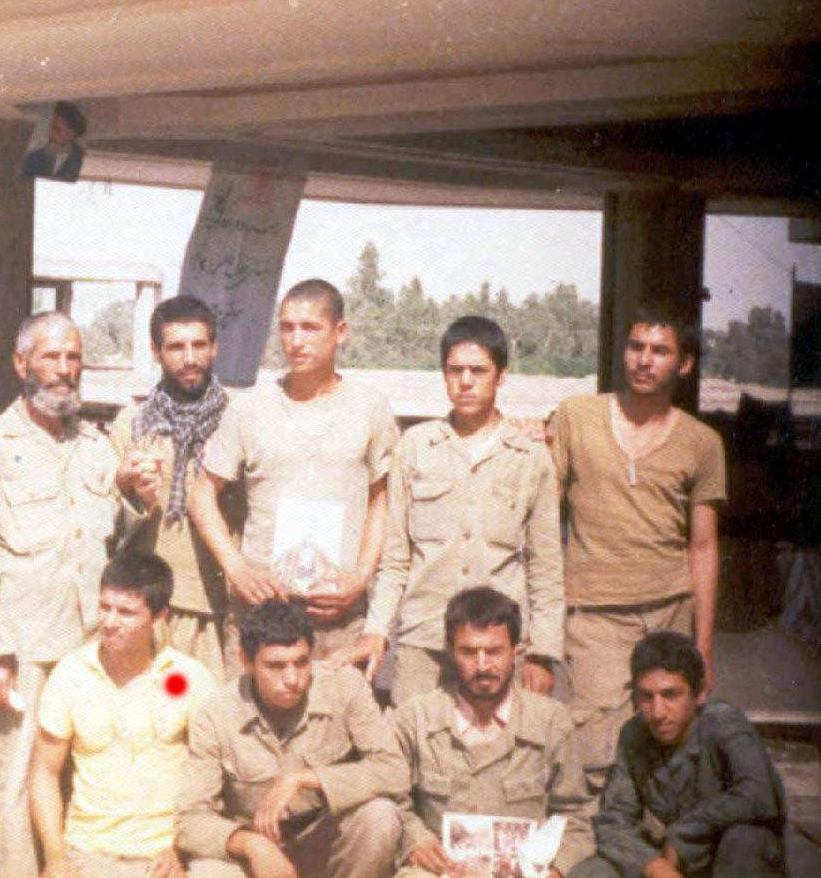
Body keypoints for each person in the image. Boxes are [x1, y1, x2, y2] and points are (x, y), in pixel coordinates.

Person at [0, 310, 145, 878]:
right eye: (51, 356)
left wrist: (135, 495)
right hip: (25, 642)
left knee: (83, 771)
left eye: (73, 357)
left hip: (90, 640)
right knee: (18, 774)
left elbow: (116, 538)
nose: (64, 368)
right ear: (21, 363)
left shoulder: (96, 444)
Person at [336, 315, 564, 705]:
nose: (466, 381)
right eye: (455, 370)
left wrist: (542, 653)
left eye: (479, 370)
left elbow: (545, 566)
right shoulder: (415, 448)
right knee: (414, 736)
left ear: (501, 375)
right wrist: (377, 630)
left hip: (497, 645)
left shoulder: (529, 457)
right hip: (426, 642)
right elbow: (396, 559)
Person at [547, 307, 727, 789]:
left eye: (660, 350)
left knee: (667, 749)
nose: (645, 360)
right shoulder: (576, 416)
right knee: (595, 753)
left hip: (669, 612)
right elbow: (542, 518)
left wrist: (704, 648)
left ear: (684, 364)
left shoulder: (702, 442)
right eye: (636, 347)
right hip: (593, 613)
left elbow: (703, 547)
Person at [189, 279, 399, 674]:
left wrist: (361, 576)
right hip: (262, 613)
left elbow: (381, 500)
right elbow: (202, 494)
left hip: (338, 617)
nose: (296, 341)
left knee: (336, 712)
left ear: (340, 331)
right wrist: (237, 568)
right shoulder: (249, 408)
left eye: (310, 328)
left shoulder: (369, 408)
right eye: (286, 328)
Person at [176, 598, 408, 878]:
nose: (292, 679)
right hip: (256, 850)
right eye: (275, 666)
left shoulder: (345, 687)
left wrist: (305, 778)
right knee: (207, 873)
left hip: (324, 842)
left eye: (301, 663)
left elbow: (394, 771)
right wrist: (251, 845)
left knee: (379, 816)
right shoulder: (216, 714)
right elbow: (190, 820)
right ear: (246, 661)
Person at [29, 551, 216, 878]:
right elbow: (44, 772)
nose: (110, 622)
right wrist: (55, 856)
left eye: (127, 612)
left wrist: (181, 848)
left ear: (159, 616)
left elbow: (212, 775)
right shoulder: (71, 674)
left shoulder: (188, 678)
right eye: (105, 607)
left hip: (167, 856)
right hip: (89, 853)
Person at [392, 587, 593, 878]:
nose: (482, 665)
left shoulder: (551, 721)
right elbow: (391, 799)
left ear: (516, 650)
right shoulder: (416, 718)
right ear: (450, 651)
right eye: (469, 652)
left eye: (494, 651)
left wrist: (556, 870)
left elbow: (576, 816)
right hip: (440, 871)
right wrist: (416, 839)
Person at [574, 632, 786, 878]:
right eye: (646, 697)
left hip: (732, 857)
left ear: (699, 694)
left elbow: (760, 796)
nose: (658, 712)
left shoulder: (723, 723)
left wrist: (684, 832)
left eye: (670, 695)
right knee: (592, 871)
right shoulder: (634, 734)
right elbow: (613, 821)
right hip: (679, 862)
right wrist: (655, 867)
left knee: (745, 841)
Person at [111, 295, 238, 679]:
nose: (190, 358)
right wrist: (127, 487)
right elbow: (108, 528)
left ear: (215, 347)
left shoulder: (238, 420)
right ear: (156, 352)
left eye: (199, 345)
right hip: (154, 609)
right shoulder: (132, 425)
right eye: (176, 347)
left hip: (219, 608)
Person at [21, 100, 87, 182]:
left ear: (71, 133)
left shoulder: (79, 157)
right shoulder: (34, 157)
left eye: (57, 129)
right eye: (51, 127)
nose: (51, 133)